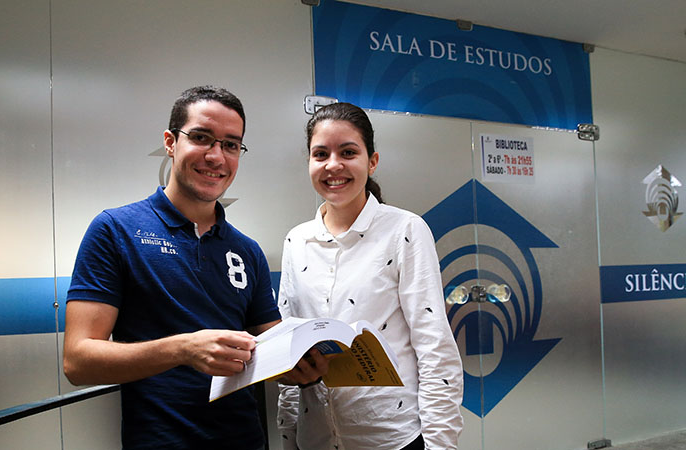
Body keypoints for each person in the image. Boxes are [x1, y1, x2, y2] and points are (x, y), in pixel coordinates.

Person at [63, 85, 323, 450]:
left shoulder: (247, 251)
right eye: (202, 138)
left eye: (231, 144)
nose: (216, 156)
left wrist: (302, 366)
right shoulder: (114, 230)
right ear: (170, 142)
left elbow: (272, 347)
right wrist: (184, 349)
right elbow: (78, 361)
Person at [277, 102, 464, 450]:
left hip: (390, 438)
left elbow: (434, 346)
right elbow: (288, 349)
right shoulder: (296, 240)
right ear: (309, 163)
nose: (334, 165)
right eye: (321, 154)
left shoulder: (405, 230)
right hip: (316, 438)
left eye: (348, 152)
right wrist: (289, 436)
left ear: (372, 161)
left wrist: (441, 445)